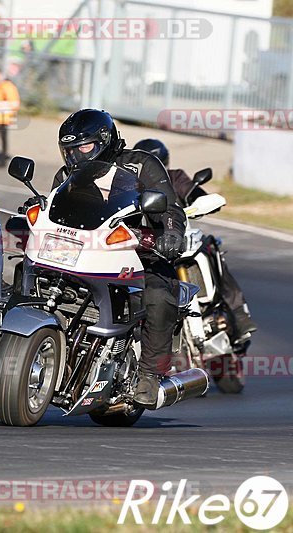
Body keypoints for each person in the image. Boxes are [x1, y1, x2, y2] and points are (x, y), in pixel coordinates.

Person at [48, 109, 186, 408]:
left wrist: (171, 234)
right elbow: (54, 212)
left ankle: (149, 374)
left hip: (138, 251)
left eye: (83, 147)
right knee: (26, 269)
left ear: (105, 141)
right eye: (69, 150)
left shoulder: (141, 164)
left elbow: (170, 208)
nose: (76, 157)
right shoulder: (66, 175)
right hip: (83, 253)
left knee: (159, 294)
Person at [133, 138, 257, 345]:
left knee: (210, 247)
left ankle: (239, 313)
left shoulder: (175, 178)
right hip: (149, 246)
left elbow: (195, 193)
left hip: (183, 238)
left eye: (157, 162)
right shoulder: (130, 186)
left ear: (165, 163)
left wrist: (202, 201)